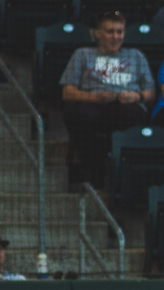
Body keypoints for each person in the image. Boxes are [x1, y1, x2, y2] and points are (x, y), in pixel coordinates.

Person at [60, 11, 155, 188]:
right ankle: (96, 167)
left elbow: (150, 93)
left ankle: (122, 171)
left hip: (126, 106)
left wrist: (137, 96)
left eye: (119, 32)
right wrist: (94, 97)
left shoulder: (136, 56)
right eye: (110, 32)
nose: (115, 37)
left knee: (137, 117)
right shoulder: (82, 54)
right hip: (94, 103)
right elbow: (67, 92)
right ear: (98, 33)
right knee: (74, 116)